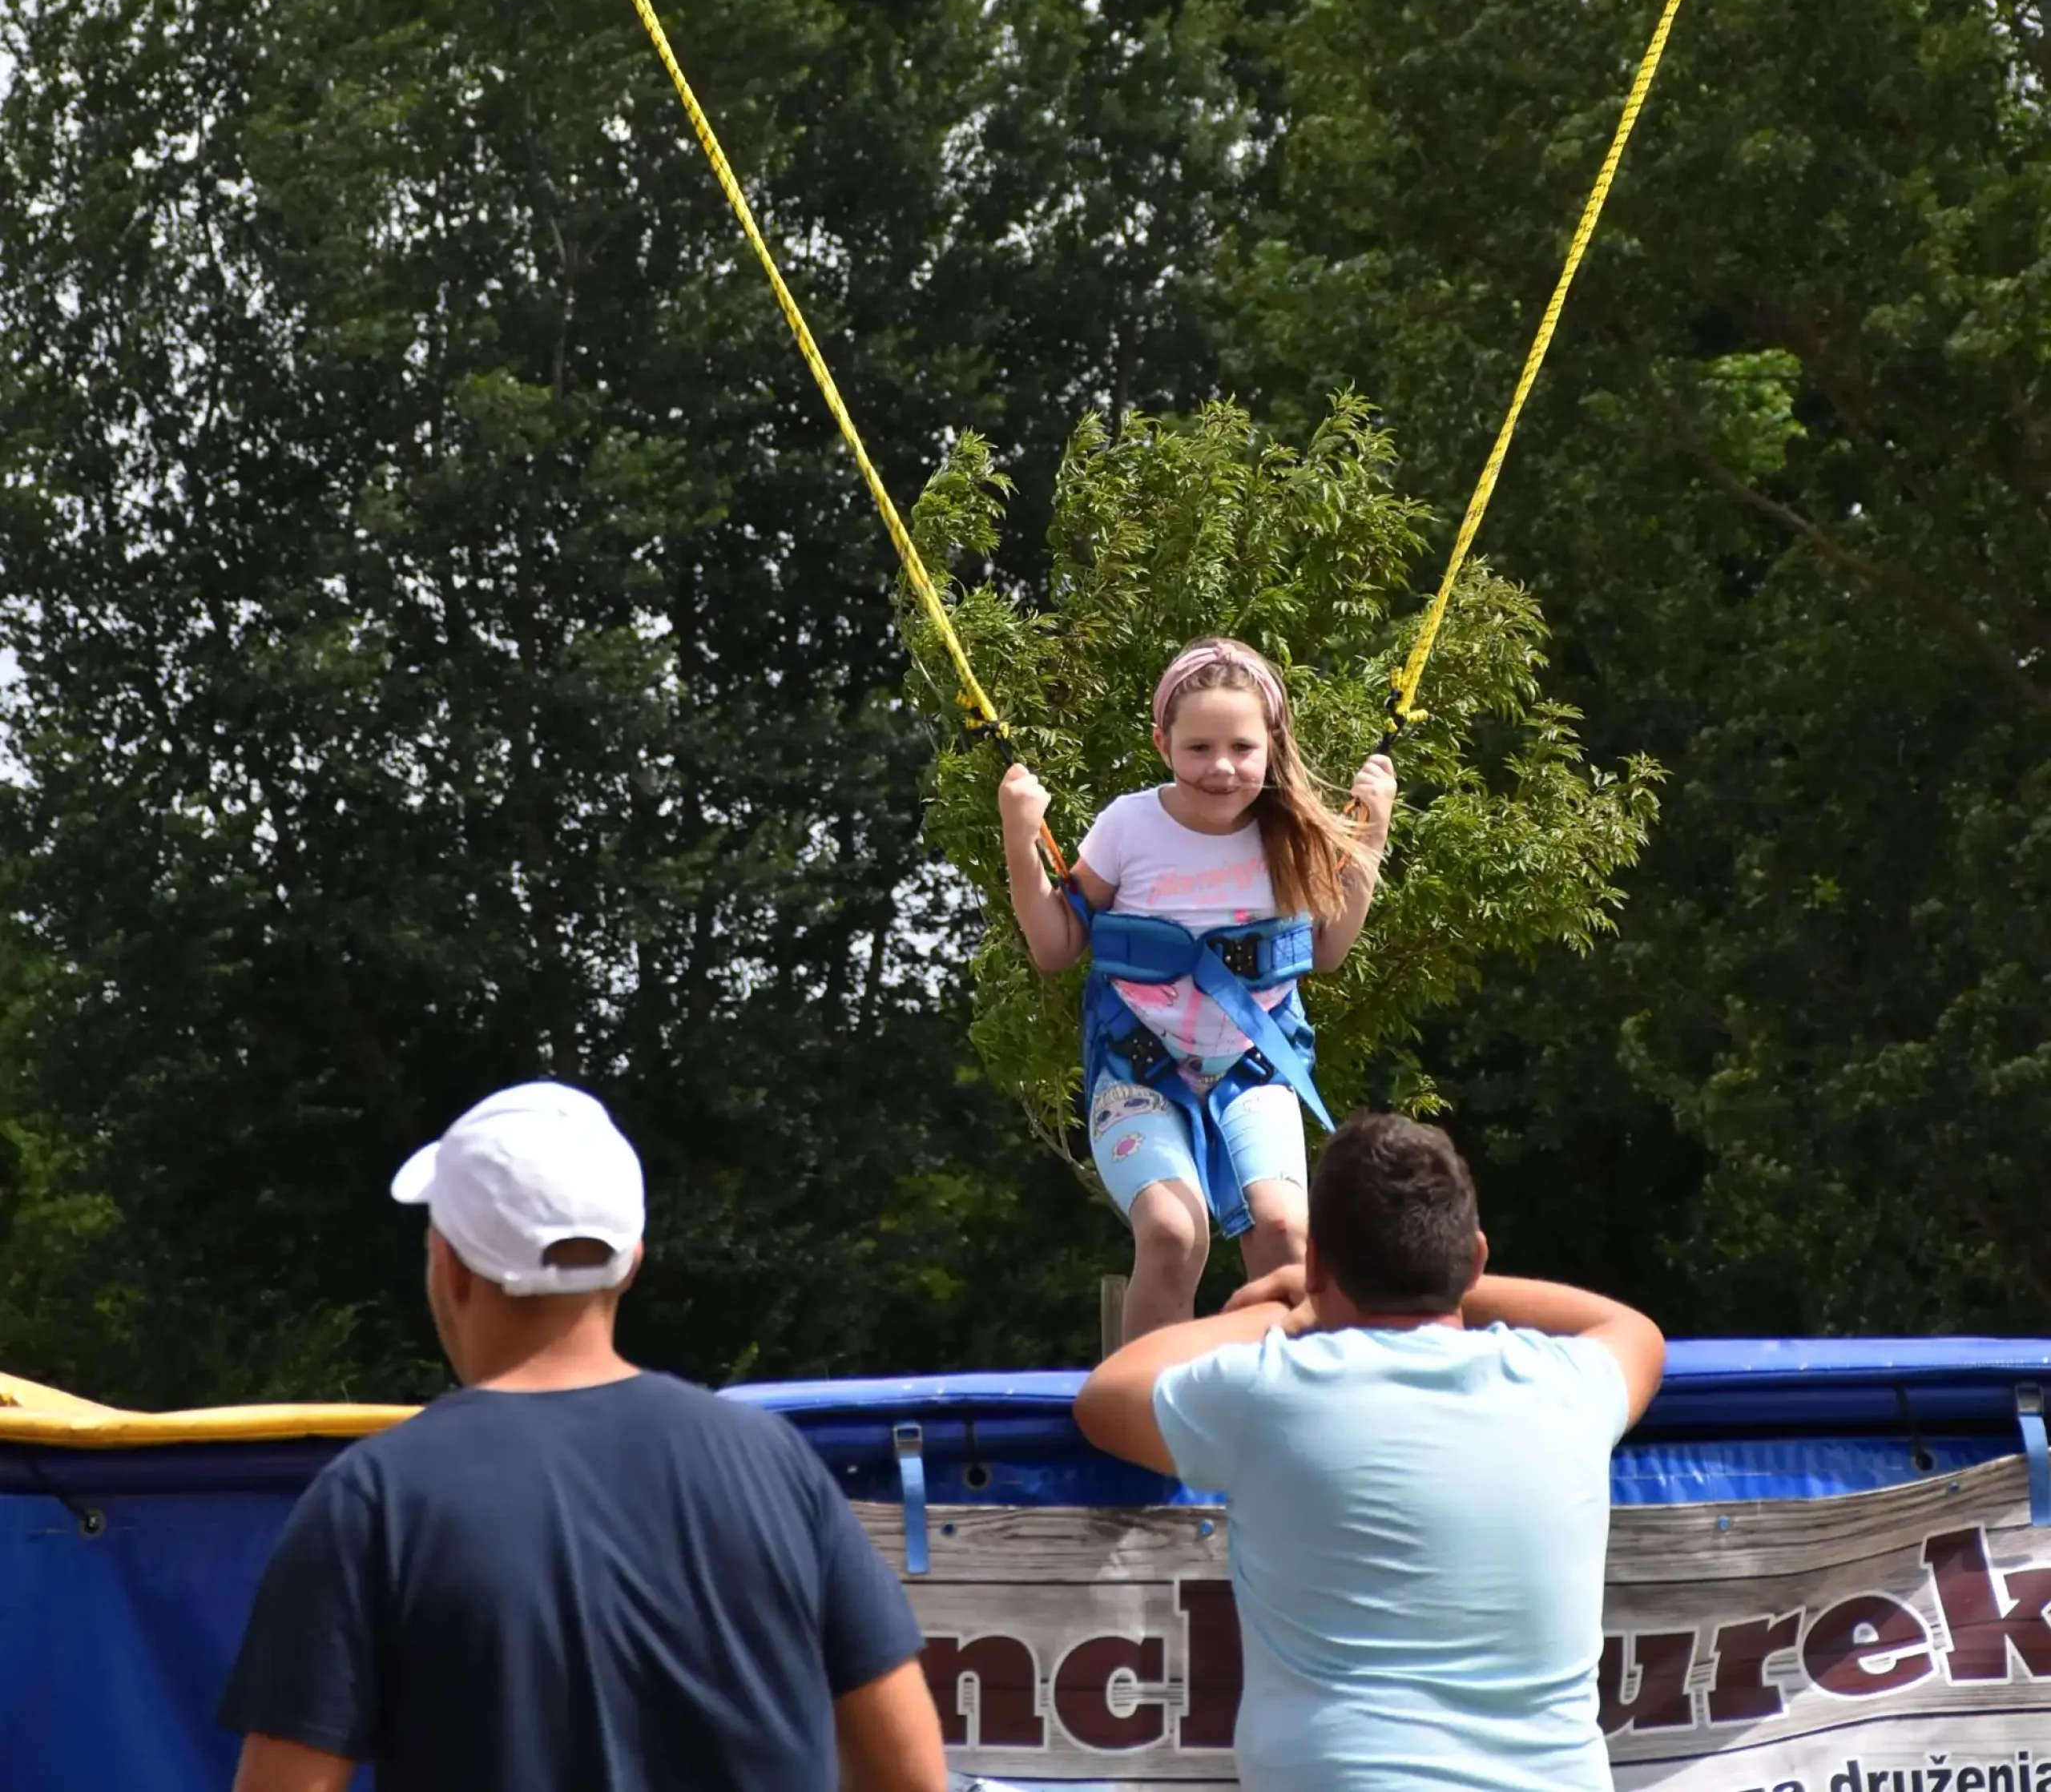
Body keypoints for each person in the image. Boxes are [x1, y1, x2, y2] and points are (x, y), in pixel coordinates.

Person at [220, 1079, 947, 1792]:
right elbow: (911, 1775)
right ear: (631, 1260)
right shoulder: (773, 1462)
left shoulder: (373, 1499)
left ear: (448, 1264)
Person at [1073, 1108, 1664, 1792]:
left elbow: (1107, 1393)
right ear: (1474, 1257)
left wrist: (1288, 1308)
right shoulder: (1568, 1386)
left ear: (1318, 1260)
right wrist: (1440, 1276)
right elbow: (1631, 1327)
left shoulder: (1273, 1391)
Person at [999, 635, 1395, 1338]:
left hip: (1251, 1059)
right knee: (1175, 1233)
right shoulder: (1130, 825)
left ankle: (1286, 1402)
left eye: (1242, 748)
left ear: (1272, 745)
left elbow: (1327, 951)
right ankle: (1150, 1414)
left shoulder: (1292, 831)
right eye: (1199, 749)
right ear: (1162, 743)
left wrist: (1371, 835)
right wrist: (1019, 839)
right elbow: (1058, 946)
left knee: (1283, 1230)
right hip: (1138, 1065)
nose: (1221, 767)